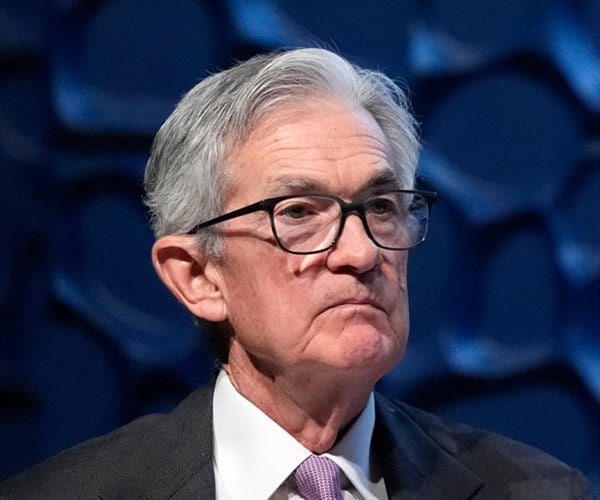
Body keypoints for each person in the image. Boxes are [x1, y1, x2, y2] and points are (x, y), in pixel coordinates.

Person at [0, 48, 594, 500]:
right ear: (198, 277)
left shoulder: (539, 491)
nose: (361, 253)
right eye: (299, 214)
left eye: (381, 207)